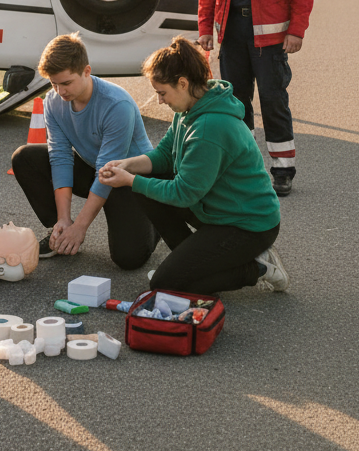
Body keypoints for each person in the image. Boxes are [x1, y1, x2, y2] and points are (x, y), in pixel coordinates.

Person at [99, 36, 288, 295]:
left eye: (162, 93)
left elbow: (184, 193)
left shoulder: (209, 128)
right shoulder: (190, 108)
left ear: (183, 83)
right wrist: (128, 165)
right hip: (218, 211)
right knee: (145, 187)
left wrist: (130, 180)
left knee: (164, 284)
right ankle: (196, 264)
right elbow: (164, 157)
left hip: (248, 226)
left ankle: (258, 268)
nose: (160, 101)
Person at [197, 0, 314, 197]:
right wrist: (206, 29)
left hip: (271, 38)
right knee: (236, 104)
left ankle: (282, 171)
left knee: (274, 101)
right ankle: (243, 169)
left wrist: (296, 31)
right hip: (232, 35)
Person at [10, 33, 159, 268]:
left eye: (66, 83)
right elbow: (59, 157)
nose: (60, 91)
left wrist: (82, 227)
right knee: (24, 158)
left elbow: (109, 172)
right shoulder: (52, 102)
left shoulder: (116, 105)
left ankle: (157, 217)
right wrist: (66, 220)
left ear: (86, 71)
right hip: (96, 168)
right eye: (53, 83)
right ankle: (60, 231)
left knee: (129, 259)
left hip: (131, 178)